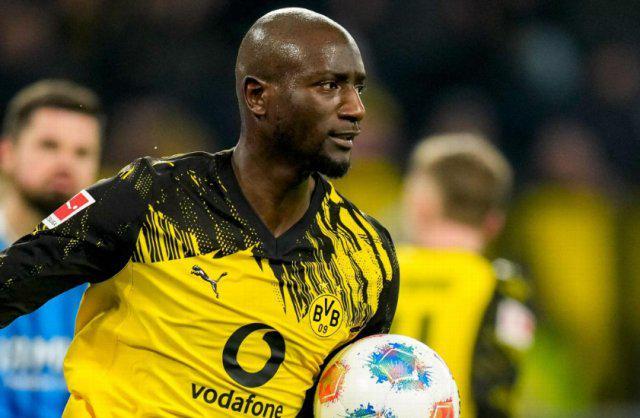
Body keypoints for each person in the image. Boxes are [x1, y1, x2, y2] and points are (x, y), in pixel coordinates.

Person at [0, 8, 399, 418]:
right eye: (330, 85)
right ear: (257, 96)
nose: (356, 108)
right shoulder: (152, 198)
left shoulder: (365, 257)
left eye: (358, 88)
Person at [391, 133, 534, 418]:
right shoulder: (503, 285)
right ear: (495, 222)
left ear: (421, 206)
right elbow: (496, 392)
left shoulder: (377, 274)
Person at [0, 80, 103, 418]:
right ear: (7, 153)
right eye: (49, 146)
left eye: (82, 153)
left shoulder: (114, 274)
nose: (65, 164)